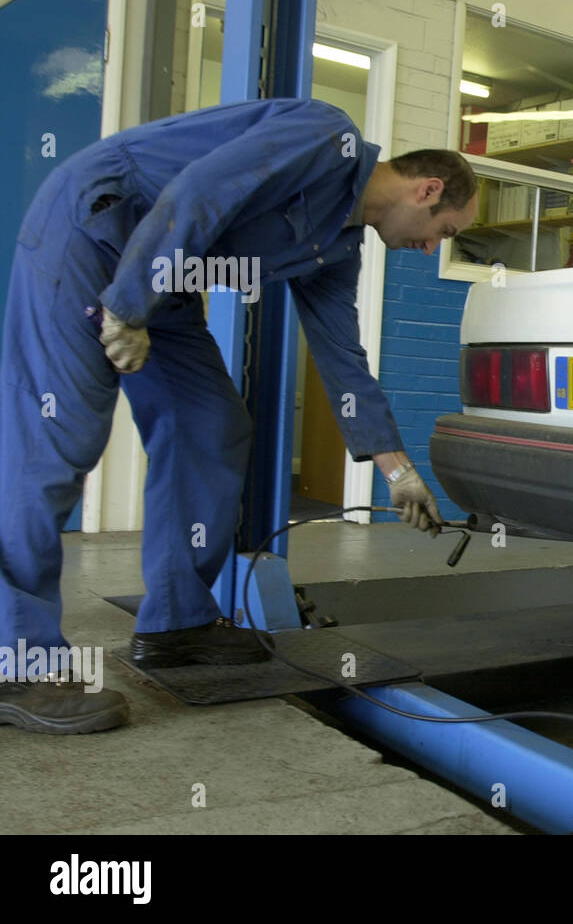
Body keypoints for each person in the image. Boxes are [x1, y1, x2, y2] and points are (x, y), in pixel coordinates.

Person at [0, 97, 478, 734]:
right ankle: (18, 660)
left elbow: (343, 361)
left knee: (213, 426)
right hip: (90, 235)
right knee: (59, 439)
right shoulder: (325, 134)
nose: (429, 249)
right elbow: (201, 190)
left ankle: (177, 622)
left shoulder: (337, 249)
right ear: (428, 189)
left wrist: (397, 472)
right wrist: (129, 306)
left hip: (161, 280)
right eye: (444, 232)